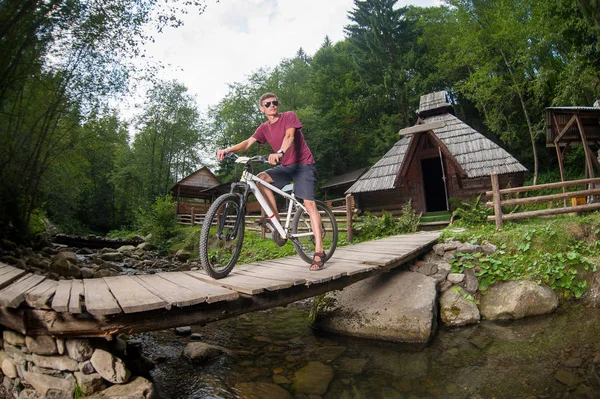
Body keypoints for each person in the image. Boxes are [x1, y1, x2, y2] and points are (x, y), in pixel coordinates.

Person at [217, 93, 326, 271]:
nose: (272, 106)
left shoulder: (289, 116)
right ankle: (276, 221)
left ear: (278, 105)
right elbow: (247, 144)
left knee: (309, 204)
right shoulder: (263, 128)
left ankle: (319, 251)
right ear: (262, 108)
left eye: (274, 103)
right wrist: (227, 150)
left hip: (303, 165)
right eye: (267, 104)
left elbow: (289, 136)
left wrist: (280, 152)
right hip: (286, 167)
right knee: (260, 179)